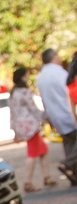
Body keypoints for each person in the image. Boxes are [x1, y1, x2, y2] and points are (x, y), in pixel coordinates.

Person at [9, 66, 55, 192]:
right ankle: (28, 182)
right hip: (30, 125)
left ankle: (47, 177)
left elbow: (12, 113)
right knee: (32, 153)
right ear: (23, 77)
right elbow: (32, 108)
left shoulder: (13, 93)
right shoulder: (25, 91)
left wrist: (14, 130)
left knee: (43, 150)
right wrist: (45, 117)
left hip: (22, 125)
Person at [37, 48, 77, 186]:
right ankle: (68, 164)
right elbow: (69, 93)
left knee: (68, 144)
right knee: (74, 143)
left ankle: (74, 175)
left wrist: (48, 117)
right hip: (68, 113)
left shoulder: (40, 76)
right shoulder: (59, 73)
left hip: (55, 116)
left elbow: (43, 100)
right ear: (54, 57)